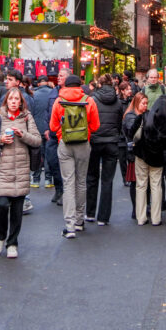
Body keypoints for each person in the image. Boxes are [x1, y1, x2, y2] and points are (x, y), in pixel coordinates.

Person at [0, 87, 41, 258]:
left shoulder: (27, 118)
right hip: (3, 169)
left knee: (17, 210)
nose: (14, 102)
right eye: (11, 99)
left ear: (21, 102)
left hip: (21, 169)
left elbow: (37, 140)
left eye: (17, 99)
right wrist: (0, 139)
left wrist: (23, 135)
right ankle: (0, 237)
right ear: (6, 101)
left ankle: (12, 243)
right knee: (1, 205)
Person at [49, 74, 100, 238]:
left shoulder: (59, 101)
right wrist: (86, 132)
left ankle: (69, 226)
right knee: (81, 181)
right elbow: (96, 125)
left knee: (68, 183)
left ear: (65, 85)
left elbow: (53, 126)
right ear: (80, 85)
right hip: (83, 144)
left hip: (65, 143)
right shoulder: (89, 101)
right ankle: (79, 220)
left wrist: (61, 133)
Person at [123, 94, 166, 226]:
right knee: (156, 186)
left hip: (141, 155)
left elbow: (131, 134)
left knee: (141, 186)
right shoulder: (164, 123)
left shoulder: (143, 117)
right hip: (157, 158)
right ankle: (156, 218)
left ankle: (141, 217)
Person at [86, 74, 123, 225]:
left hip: (95, 141)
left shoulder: (92, 99)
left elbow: (88, 120)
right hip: (111, 142)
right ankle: (103, 217)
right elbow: (119, 122)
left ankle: (90, 212)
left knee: (92, 177)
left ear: (99, 85)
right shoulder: (118, 102)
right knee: (107, 180)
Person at [45, 69, 68, 205]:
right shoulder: (53, 92)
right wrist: (47, 128)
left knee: (65, 165)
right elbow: (47, 111)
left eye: (61, 76)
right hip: (53, 134)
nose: (58, 77)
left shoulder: (71, 92)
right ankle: (59, 189)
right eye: (58, 75)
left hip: (66, 134)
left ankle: (65, 192)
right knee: (52, 161)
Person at [31, 75, 54, 188]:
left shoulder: (34, 94)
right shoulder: (53, 94)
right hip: (50, 128)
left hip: (37, 128)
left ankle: (36, 179)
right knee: (49, 155)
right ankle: (48, 180)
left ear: (39, 83)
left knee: (38, 154)